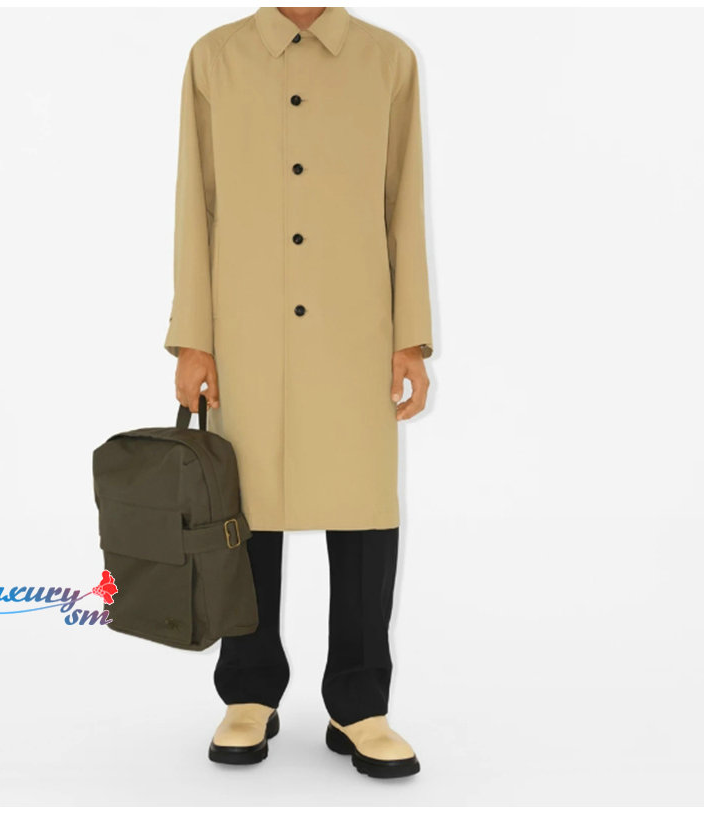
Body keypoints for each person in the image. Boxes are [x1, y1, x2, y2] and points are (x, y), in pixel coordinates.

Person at [165, 6, 433, 779]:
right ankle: (249, 691)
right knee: (244, 511)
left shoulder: (387, 61)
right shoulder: (214, 59)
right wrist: (194, 335)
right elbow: (195, 202)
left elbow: (403, 201)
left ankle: (361, 702)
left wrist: (409, 336)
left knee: (365, 515)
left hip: (355, 331)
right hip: (245, 330)